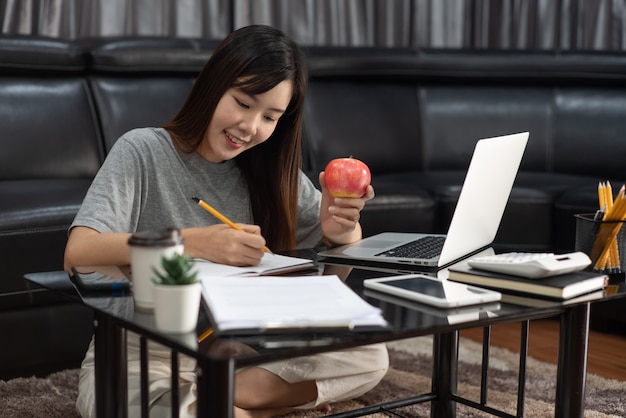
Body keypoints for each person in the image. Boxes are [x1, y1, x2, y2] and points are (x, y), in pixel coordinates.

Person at [64, 24, 388, 418]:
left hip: (235, 351)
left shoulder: (273, 173)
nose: (251, 128)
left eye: (270, 117)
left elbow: (326, 285)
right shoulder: (142, 150)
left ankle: (219, 401)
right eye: (243, 103)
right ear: (212, 86)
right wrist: (193, 242)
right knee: (116, 403)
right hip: (141, 352)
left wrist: (344, 235)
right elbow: (78, 253)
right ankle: (248, 410)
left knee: (370, 355)